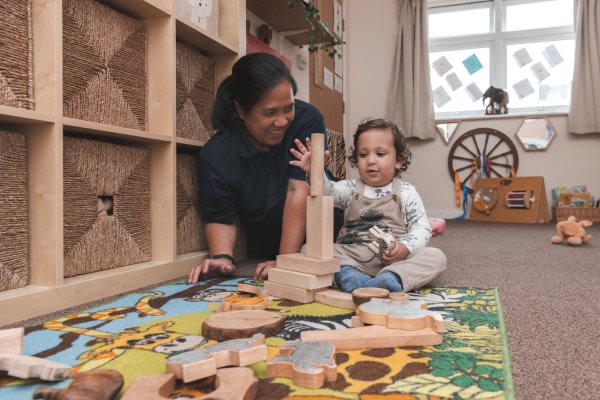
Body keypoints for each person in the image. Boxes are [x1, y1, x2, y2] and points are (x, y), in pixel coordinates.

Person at [188, 53, 326, 284]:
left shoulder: (307, 119)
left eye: (288, 108)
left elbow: (298, 190)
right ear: (241, 110)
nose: (282, 121)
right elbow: (221, 216)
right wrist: (222, 258)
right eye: (270, 113)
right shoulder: (217, 156)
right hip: (266, 245)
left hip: (324, 236)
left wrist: (286, 262)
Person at [290, 118, 446, 293]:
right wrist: (314, 170)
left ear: (399, 160)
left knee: (436, 257)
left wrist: (405, 248)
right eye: (363, 155)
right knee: (308, 249)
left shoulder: (406, 191)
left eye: (380, 154)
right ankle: (348, 274)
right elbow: (328, 191)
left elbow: (422, 228)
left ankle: (392, 277)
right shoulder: (350, 188)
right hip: (353, 256)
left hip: (394, 258)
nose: (370, 160)